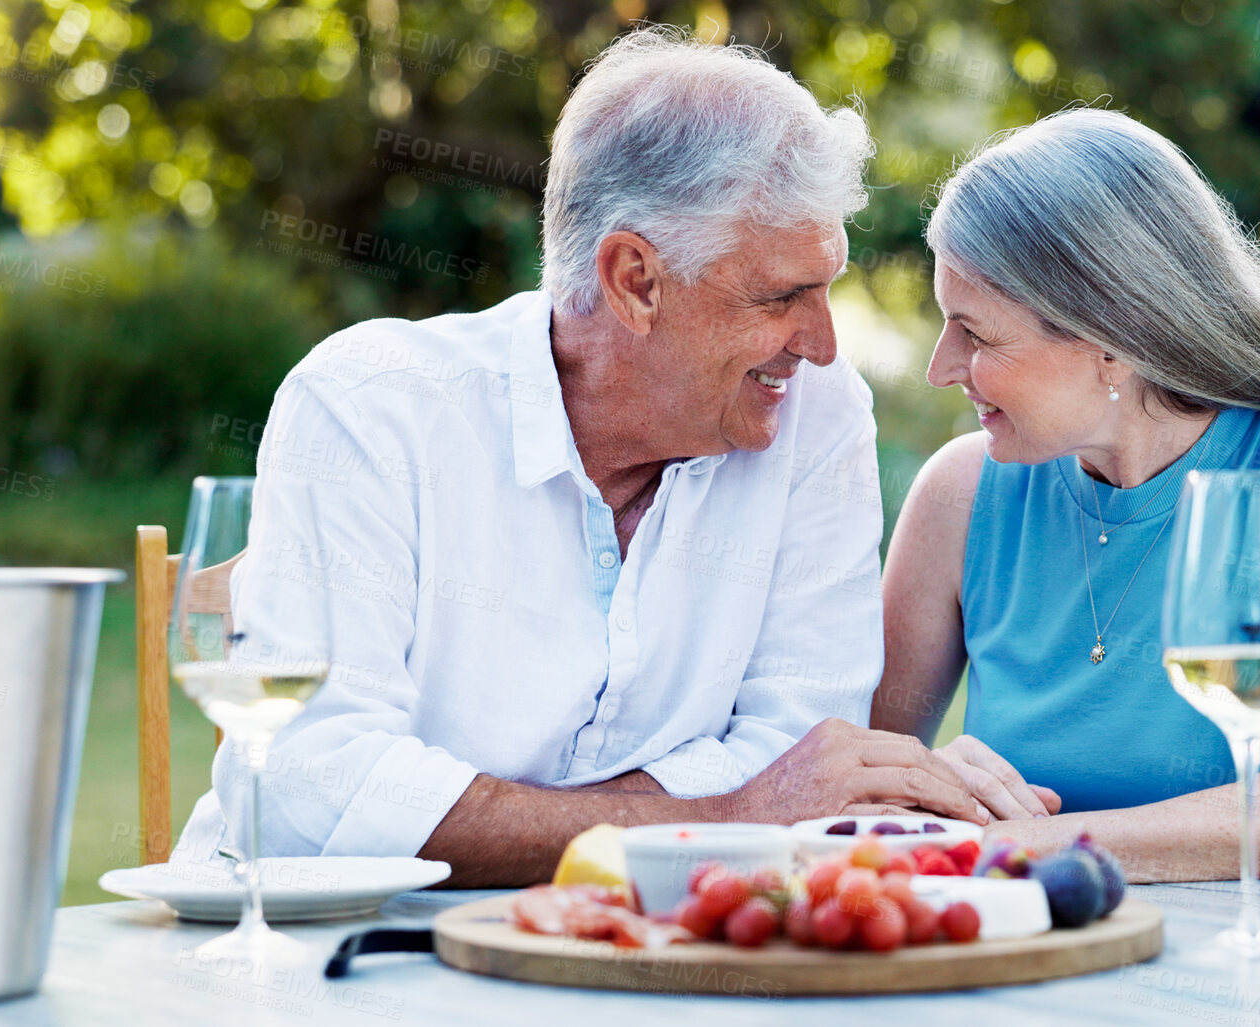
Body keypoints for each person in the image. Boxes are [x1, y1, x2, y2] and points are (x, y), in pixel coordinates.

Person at [175, 27, 996, 887]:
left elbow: (805, 747)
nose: (822, 345)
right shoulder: (370, 405)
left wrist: (477, 817)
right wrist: (723, 817)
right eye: (781, 295)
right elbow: (316, 793)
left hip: (651, 945)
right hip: (333, 960)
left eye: (825, 288)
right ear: (633, 279)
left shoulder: (814, 417)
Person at [872, 108, 1260, 882]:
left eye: (975, 333)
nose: (940, 366)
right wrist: (927, 788)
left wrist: (1030, 845)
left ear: (1112, 339)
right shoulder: (960, 492)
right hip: (1041, 958)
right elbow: (854, 782)